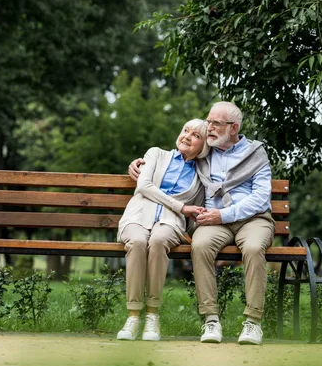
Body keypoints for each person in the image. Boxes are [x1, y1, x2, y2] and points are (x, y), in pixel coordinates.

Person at [128, 102, 274, 345]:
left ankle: (253, 322)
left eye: (216, 123)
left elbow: (260, 199)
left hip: (253, 219)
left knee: (253, 248)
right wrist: (139, 163)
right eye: (209, 122)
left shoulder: (255, 153)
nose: (210, 128)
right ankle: (211, 319)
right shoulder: (206, 152)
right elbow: (177, 157)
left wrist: (223, 215)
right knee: (200, 245)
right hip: (214, 221)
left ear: (234, 127)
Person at [116, 119, 210, 341]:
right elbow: (144, 186)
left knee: (158, 241)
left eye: (195, 135)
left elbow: (199, 208)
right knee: (138, 242)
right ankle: (133, 316)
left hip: (170, 222)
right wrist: (182, 207)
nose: (187, 136)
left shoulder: (203, 173)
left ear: (204, 145)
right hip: (137, 214)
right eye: (185, 130)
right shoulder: (156, 154)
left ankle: (152, 315)